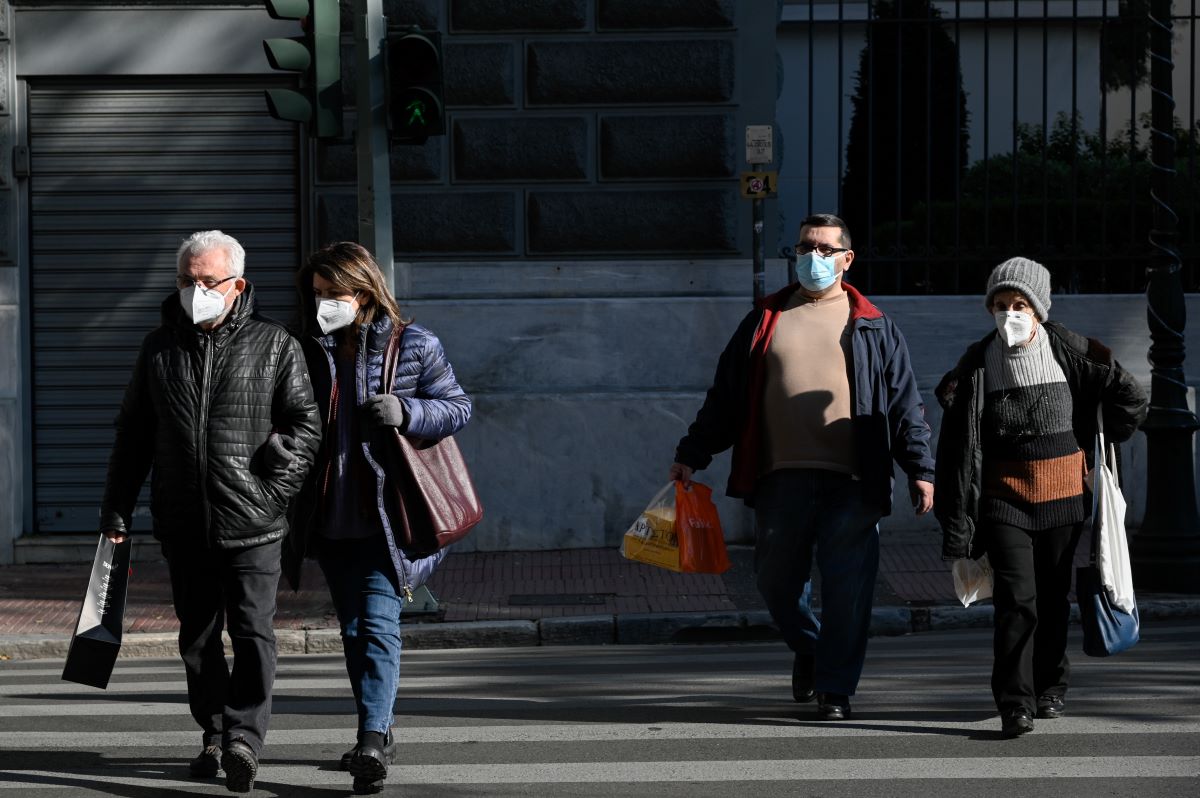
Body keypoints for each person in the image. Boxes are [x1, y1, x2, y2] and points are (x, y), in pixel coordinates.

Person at [670, 213, 935, 720]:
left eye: (825, 249)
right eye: (804, 248)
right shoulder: (765, 318)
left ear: (847, 259)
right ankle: (812, 650)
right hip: (779, 477)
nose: (813, 258)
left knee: (848, 591)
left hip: (853, 482)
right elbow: (725, 397)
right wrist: (691, 454)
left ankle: (834, 690)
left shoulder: (875, 326)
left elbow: (905, 405)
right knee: (775, 584)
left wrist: (921, 468)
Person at [98, 230, 322, 792]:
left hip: (253, 522)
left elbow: (305, 425)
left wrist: (272, 489)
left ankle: (244, 737)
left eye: (207, 281)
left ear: (237, 285)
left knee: (252, 631)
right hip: (183, 521)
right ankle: (215, 731)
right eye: (186, 281)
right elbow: (133, 436)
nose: (195, 290)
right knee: (197, 638)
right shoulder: (158, 349)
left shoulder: (276, 344)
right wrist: (116, 510)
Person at [284, 242, 472, 795]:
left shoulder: (414, 343)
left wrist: (408, 411)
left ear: (361, 292)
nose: (320, 304)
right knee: (352, 628)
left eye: (330, 294)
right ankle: (378, 729)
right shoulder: (306, 349)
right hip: (329, 513)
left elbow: (458, 406)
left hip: (390, 515)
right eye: (315, 294)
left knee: (379, 625)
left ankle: (371, 738)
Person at [934, 257, 1147, 738]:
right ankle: (1015, 702)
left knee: (1052, 598)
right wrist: (955, 518)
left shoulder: (1074, 350)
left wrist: (1100, 442)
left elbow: (1130, 398)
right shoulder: (976, 361)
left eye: (1020, 304)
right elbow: (955, 445)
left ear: (1039, 309)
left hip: (1065, 495)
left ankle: (1051, 687)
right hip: (1003, 499)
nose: (1010, 314)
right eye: (1000, 305)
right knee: (1016, 600)